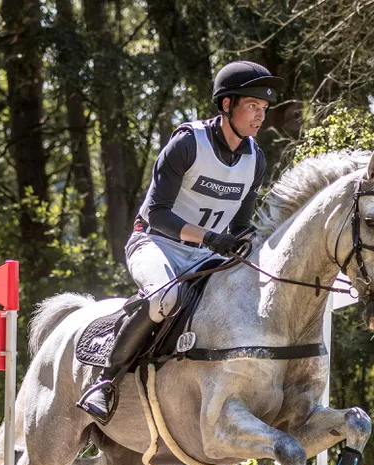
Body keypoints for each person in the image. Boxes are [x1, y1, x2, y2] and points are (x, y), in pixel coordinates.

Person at [76, 60, 282, 424]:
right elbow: (157, 214)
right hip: (156, 245)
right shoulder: (188, 143)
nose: (259, 116)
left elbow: (241, 223)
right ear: (226, 105)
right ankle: (105, 381)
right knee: (163, 297)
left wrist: (248, 240)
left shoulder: (256, 159)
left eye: (264, 108)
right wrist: (211, 238)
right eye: (252, 106)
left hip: (205, 255)